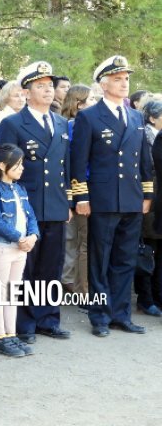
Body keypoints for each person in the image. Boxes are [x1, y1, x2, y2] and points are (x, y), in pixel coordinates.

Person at [71, 55, 153, 338]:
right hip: (103, 199)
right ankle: (100, 316)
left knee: (125, 259)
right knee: (100, 260)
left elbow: (145, 160)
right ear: (104, 84)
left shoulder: (135, 116)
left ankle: (121, 315)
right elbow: (78, 162)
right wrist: (80, 197)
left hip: (131, 198)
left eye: (126, 79)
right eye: (117, 79)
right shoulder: (88, 116)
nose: (124, 84)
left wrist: (147, 193)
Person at [0, 61, 71, 344]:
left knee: (51, 265)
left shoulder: (61, 123)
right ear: (26, 92)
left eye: (50, 86)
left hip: (54, 202)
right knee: (25, 266)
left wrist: (68, 200)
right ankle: (24, 322)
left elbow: (65, 166)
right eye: (40, 86)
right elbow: (2, 166)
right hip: (24, 204)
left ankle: (48, 318)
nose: (48, 91)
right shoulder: (12, 123)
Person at [0, 144, 39, 357]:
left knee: (13, 293)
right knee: (0, 293)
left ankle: (11, 334)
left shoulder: (20, 189)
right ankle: (0, 338)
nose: (21, 168)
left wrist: (32, 236)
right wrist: (19, 238)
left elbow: (30, 216)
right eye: (17, 164)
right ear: (3, 165)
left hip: (20, 249)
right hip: (2, 248)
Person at [59, 85, 96, 296]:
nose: (95, 103)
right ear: (78, 104)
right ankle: (82, 290)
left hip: (86, 188)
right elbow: (75, 163)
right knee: (82, 240)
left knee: (79, 239)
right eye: (91, 100)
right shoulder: (73, 126)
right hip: (81, 188)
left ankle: (75, 283)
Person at [137, 99, 162, 315]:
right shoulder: (146, 136)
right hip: (150, 202)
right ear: (152, 118)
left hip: (158, 202)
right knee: (147, 251)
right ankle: (145, 298)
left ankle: (157, 296)